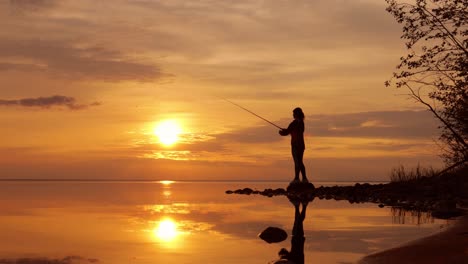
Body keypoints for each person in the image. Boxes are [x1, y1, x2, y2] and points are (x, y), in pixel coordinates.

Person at [279, 107, 308, 184]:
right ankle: (304, 179)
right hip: (301, 145)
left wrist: (284, 132)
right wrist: (283, 132)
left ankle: (297, 178)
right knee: (300, 161)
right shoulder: (300, 122)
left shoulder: (297, 123)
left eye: (294, 113)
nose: (293, 115)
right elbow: (288, 132)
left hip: (296, 144)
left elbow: (288, 131)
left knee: (297, 161)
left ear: (297, 114)